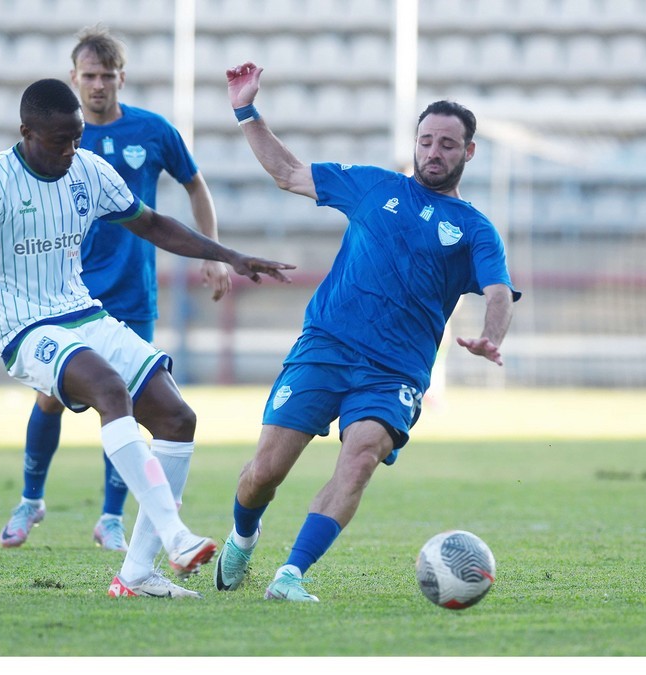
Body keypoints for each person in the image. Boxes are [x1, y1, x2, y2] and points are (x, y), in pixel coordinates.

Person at [0, 77, 294, 598]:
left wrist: (227, 255)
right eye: (60, 141)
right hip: (24, 329)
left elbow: (154, 224)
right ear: (27, 132)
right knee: (109, 388)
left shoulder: (88, 169)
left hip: (82, 313)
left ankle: (137, 574)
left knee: (177, 417)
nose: (73, 150)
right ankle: (175, 535)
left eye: (77, 138)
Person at [213, 62, 520, 602]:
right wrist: (245, 109)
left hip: (394, 371)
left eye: (448, 144)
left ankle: (291, 576)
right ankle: (243, 536)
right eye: (427, 140)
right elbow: (287, 173)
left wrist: (492, 337)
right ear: (415, 143)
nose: (434, 152)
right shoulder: (373, 186)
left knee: (359, 459)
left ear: (468, 153)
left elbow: (498, 292)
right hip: (325, 348)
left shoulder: (475, 228)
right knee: (263, 472)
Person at [1, 25, 231, 554]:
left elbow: (194, 183)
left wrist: (215, 252)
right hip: (66, 297)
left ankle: (110, 517)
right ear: (73, 78)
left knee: (124, 398)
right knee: (50, 397)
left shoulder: (151, 132)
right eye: (89, 76)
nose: (99, 85)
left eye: (107, 76)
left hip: (130, 292)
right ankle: (31, 499)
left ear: (122, 78)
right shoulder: (58, 139)